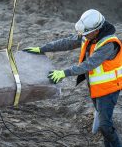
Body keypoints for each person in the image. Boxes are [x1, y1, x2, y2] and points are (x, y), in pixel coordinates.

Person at [23, 9, 122, 147]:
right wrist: (42, 48)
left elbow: (90, 64)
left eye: (86, 34)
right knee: (103, 122)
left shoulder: (109, 44)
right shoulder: (90, 35)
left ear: (97, 30)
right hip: (96, 88)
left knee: (105, 125)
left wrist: (64, 73)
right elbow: (67, 42)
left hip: (109, 90)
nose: (84, 37)